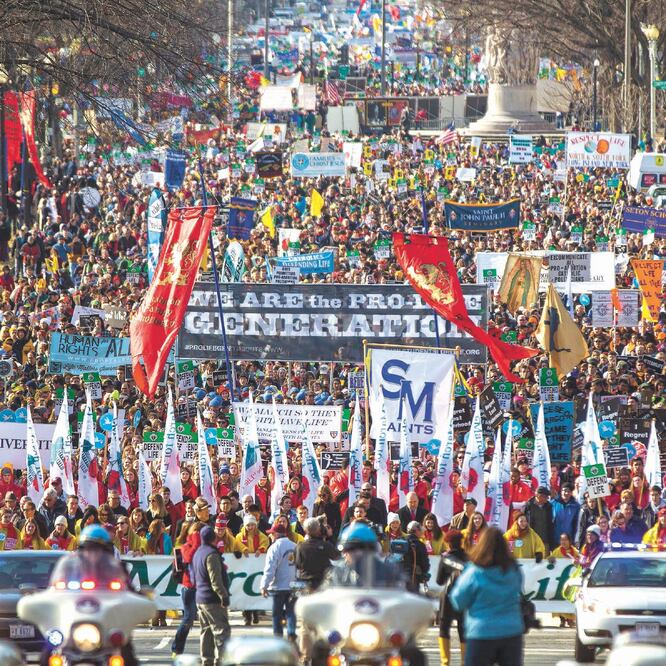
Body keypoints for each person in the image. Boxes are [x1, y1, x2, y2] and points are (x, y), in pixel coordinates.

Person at [450, 526, 524, 666]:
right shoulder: (514, 570)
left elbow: (458, 601)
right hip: (511, 631)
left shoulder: (474, 572)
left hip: (481, 632)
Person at [190, 525, 231, 666]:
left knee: (206, 632)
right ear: (213, 538)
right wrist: (223, 596)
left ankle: (206, 661)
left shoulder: (198, 553)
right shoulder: (212, 555)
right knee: (221, 631)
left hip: (200, 598)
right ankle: (222, 660)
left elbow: (194, 577)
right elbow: (216, 580)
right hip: (212, 599)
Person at [260, 521, 297, 643]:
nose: (270, 536)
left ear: (276, 534)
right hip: (292, 585)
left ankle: (278, 637)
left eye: (271, 534)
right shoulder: (294, 545)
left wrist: (264, 585)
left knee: (276, 614)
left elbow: (270, 568)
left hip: (278, 586)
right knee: (291, 612)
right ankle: (291, 633)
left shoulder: (274, 547)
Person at [171, 522, 203, 657]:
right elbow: (189, 557)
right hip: (189, 587)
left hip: (204, 588)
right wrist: (196, 540)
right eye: (197, 533)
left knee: (210, 620)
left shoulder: (205, 547)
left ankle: (211, 650)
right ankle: (177, 649)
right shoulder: (185, 546)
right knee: (188, 619)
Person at [437, 530, 468, 666]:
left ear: (448, 543)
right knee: (463, 628)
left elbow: (439, 580)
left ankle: (445, 662)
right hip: (464, 596)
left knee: (444, 628)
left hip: (448, 596)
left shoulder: (445, 557)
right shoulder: (468, 557)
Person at [294, 517, 340, 590]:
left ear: (305, 530)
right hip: (322, 582)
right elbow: (337, 557)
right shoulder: (325, 545)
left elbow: (298, 564)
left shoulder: (300, 546)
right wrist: (330, 537)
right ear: (318, 529)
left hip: (305, 582)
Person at [524, 486, 554, 553]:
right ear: (538, 495)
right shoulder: (529, 505)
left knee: (544, 562)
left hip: (545, 540)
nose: (547, 499)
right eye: (545, 497)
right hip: (531, 540)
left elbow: (550, 524)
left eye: (547, 497)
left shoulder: (549, 507)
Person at [403, 521, 430, 593]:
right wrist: (424, 573)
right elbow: (425, 564)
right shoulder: (420, 545)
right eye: (421, 530)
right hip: (413, 578)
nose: (422, 532)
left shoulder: (401, 542)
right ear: (417, 531)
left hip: (399, 577)